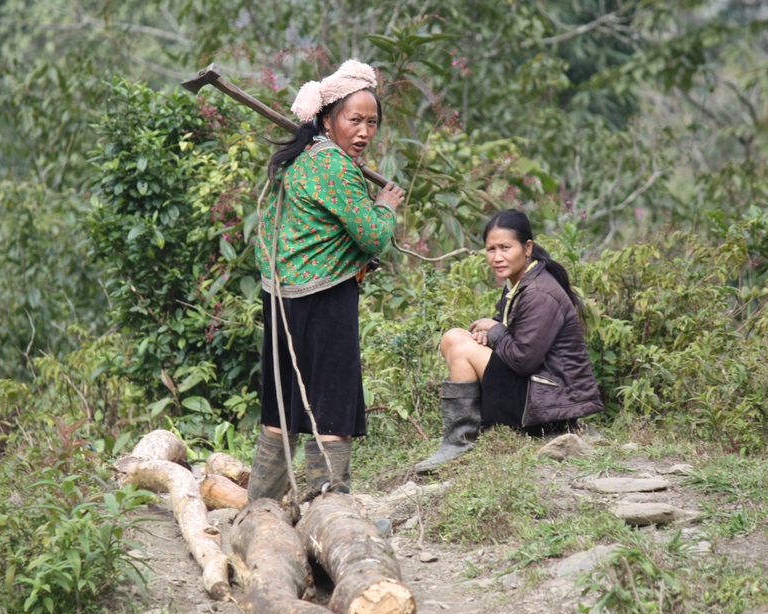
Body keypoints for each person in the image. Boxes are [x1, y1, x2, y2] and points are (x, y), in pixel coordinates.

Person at [247, 59, 406, 501]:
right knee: (331, 406)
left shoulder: (303, 160)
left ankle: (259, 506)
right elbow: (372, 236)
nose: (364, 132)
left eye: (372, 123)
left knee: (282, 406)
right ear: (327, 120)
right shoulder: (334, 166)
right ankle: (328, 509)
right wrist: (386, 206)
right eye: (354, 120)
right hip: (323, 300)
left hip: (283, 299)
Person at [414, 209, 603, 473]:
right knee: (454, 337)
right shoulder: (519, 283)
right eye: (490, 249)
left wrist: (494, 331)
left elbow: (523, 360)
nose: (497, 257)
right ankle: (462, 437)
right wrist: (490, 331)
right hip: (533, 392)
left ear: (527, 248)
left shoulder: (539, 292)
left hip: (546, 406)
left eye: (505, 247)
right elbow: (506, 336)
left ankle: (459, 442)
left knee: (461, 349)